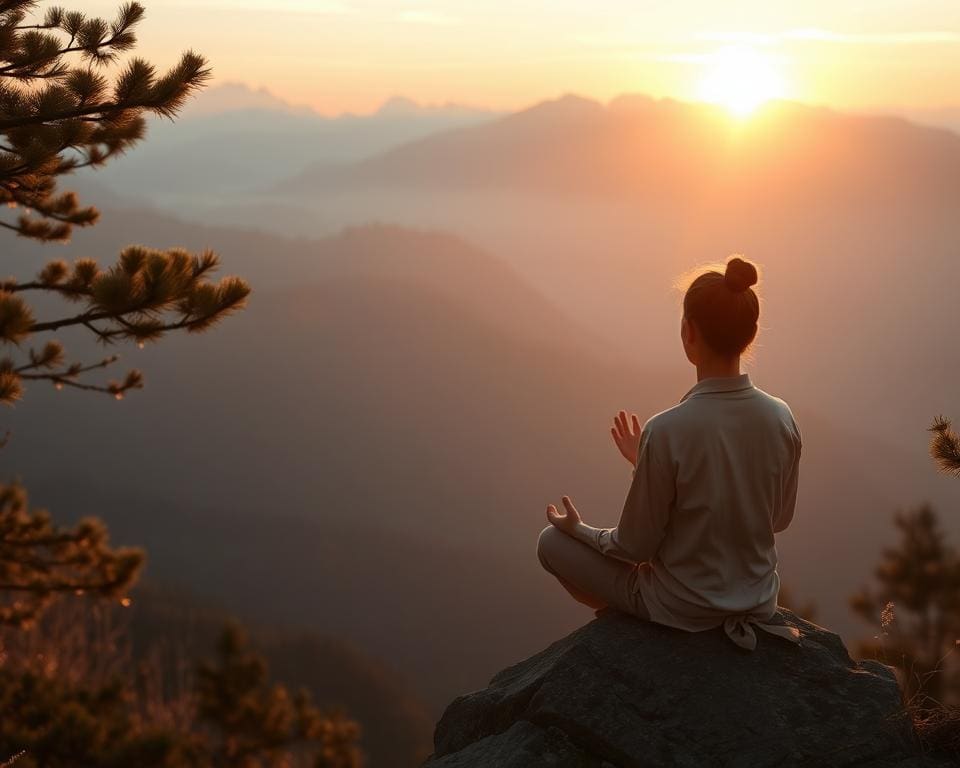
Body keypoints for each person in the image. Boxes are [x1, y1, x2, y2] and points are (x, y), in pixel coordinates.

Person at [536, 255, 803, 651]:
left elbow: (634, 547)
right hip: (758, 603)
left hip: (683, 607)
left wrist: (578, 530)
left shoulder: (667, 430)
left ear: (688, 331)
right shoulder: (781, 418)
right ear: (750, 333)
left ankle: (635, 627)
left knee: (549, 544)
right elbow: (778, 519)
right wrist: (646, 466)